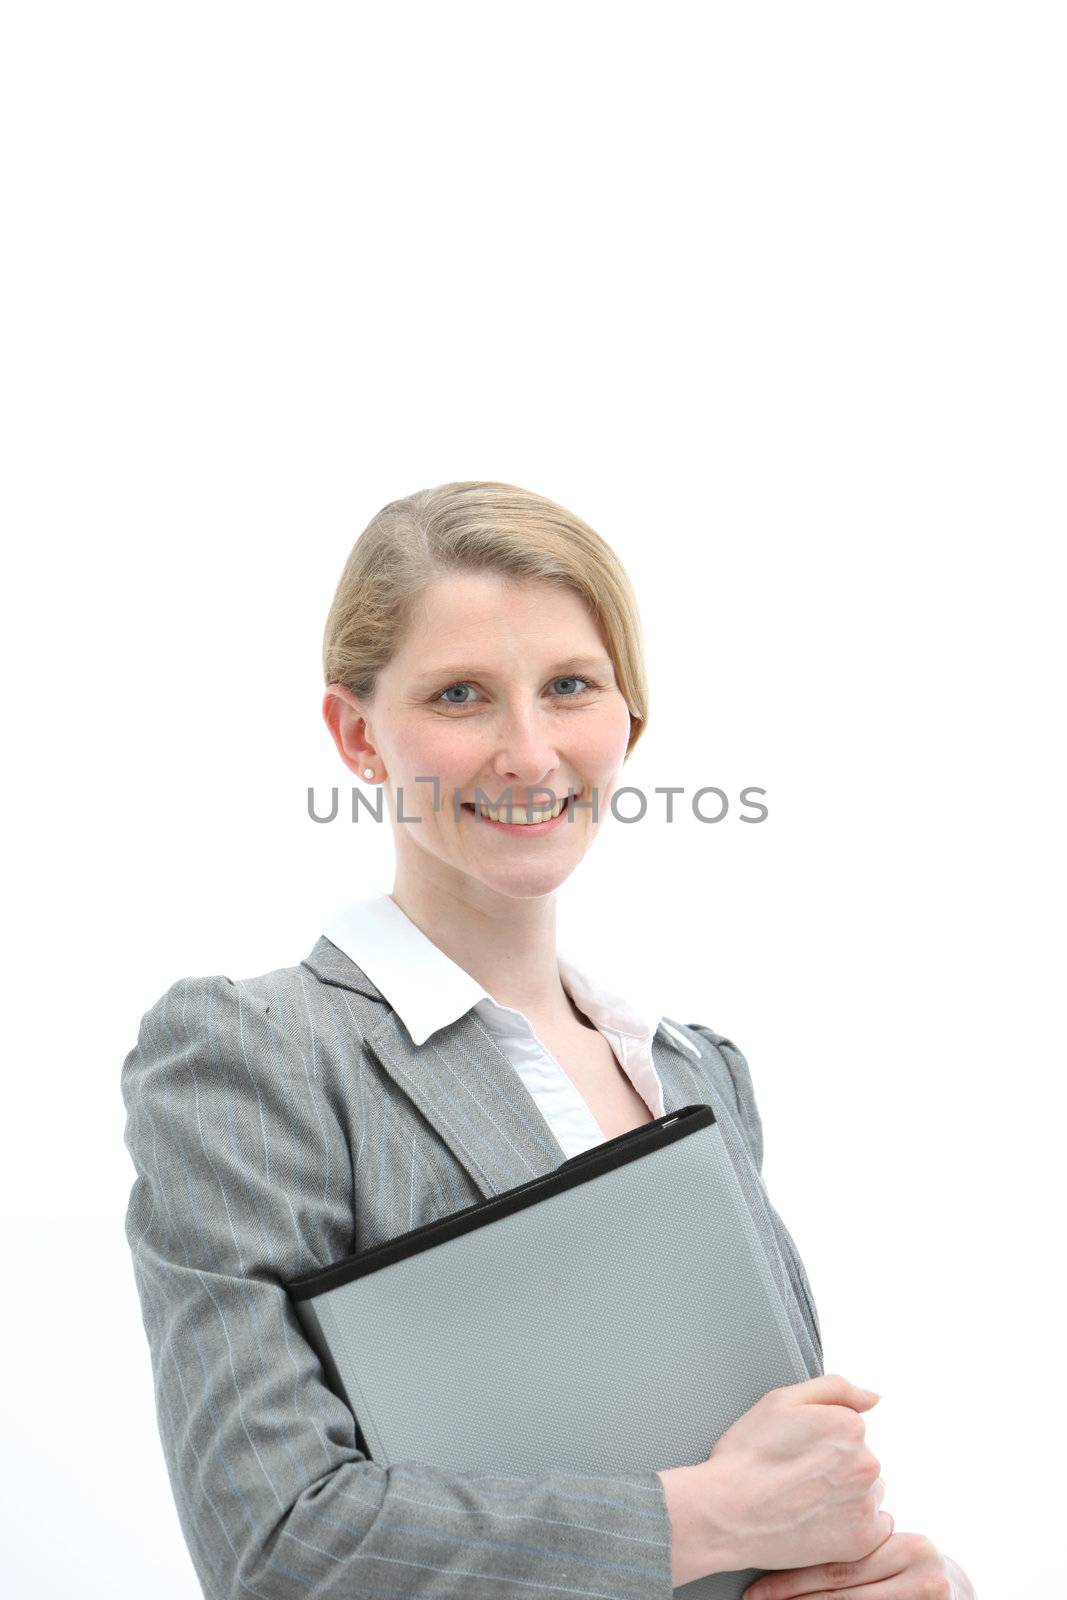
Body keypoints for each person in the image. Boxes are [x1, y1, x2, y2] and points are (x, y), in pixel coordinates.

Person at [122, 480, 975, 1599]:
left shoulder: (690, 1068)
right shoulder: (256, 1053)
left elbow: (775, 1486)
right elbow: (277, 1543)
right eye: (461, 694)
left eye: (568, 686)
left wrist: (895, 1579)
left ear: (627, 715)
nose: (527, 753)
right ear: (356, 733)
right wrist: (703, 1518)